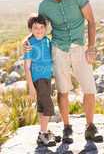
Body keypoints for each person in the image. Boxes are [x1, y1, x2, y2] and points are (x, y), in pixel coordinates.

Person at [23, 0, 103, 144]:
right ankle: (67, 128)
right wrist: (27, 41)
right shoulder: (44, 6)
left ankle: (90, 127)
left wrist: (91, 47)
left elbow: (91, 21)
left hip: (79, 48)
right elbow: (39, 29)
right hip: (59, 49)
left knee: (89, 88)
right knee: (63, 90)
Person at [23, 15, 58, 147]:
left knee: (43, 106)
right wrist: (31, 86)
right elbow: (26, 67)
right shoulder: (29, 44)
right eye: (35, 28)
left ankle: (41, 134)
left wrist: (53, 78)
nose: (39, 30)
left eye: (42, 27)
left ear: (46, 28)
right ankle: (43, 133)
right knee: (48, 106)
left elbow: (50, 60)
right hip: (38, 79)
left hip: (47, 77)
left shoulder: (47, 40)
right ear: (30, 29)